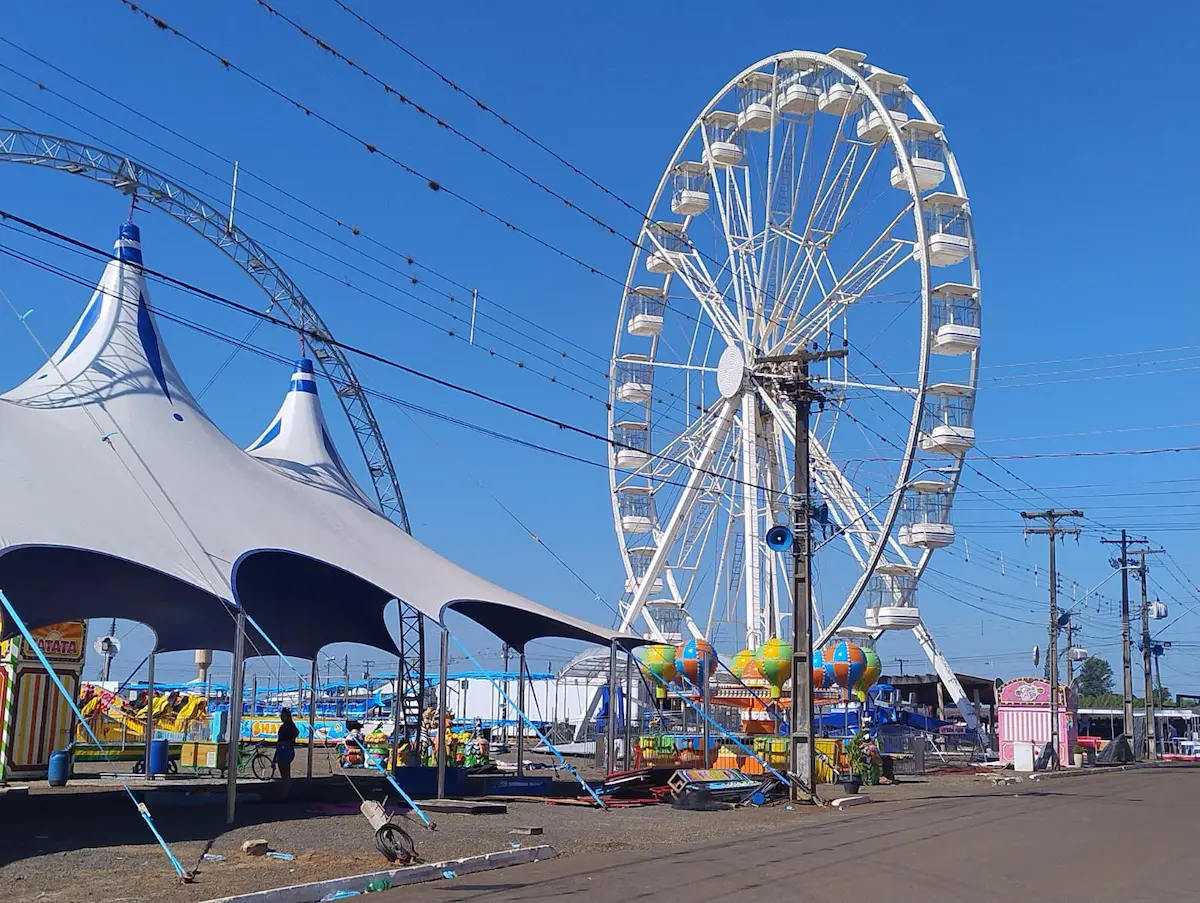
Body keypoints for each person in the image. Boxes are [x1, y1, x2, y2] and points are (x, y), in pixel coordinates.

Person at [274, 707, 300, 797]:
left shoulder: (289, 726)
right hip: (282, 747)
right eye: (281, 715)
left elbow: (296, 733)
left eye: (283, 715)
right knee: (282, 770)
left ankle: (286, 791)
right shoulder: (284, 726)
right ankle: (285, 790)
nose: (282, 717)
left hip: (286, 748)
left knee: (285, 771)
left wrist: (290, 741)